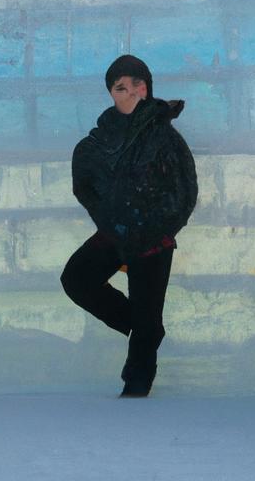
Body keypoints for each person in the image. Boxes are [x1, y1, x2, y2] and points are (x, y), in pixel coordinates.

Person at [61, 55, 198, 397]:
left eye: (136, 85)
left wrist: (159, 229)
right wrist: (111, 224)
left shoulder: (164, 136)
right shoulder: (99, 140)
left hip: (153, 239)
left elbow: (185, 191)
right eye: (120, 87)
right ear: (111, 93)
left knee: (147, 312)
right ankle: (144, 328)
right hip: (115, 232)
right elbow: (86, 187)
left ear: (146, 87)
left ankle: (136, 391)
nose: (130, 93)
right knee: (76, 279)